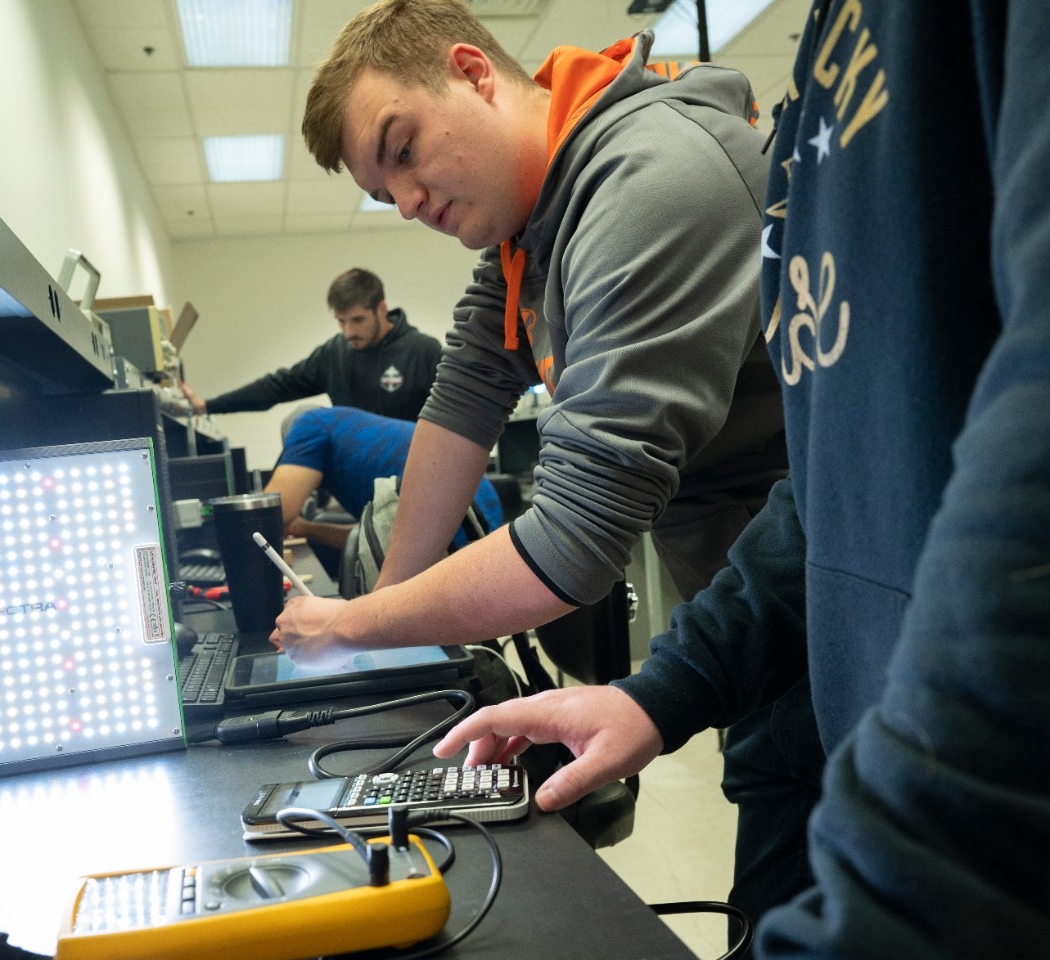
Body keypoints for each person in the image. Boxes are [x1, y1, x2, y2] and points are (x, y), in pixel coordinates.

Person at [434, 0, 1050, 954]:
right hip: (832, 731)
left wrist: (918, 887)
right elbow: (832, 465)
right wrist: (663, 691)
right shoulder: (828, 64)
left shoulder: (650, 175)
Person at [281, 0, 814, 923]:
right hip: (753, 629)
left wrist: (353, 630)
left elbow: (572, 545)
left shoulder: (647, 183)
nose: (406, 203)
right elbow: (465, 396)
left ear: (474, 73)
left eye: (402, 149)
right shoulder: (532, 223)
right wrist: (381, 615)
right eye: (384, 193)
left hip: (834, 623)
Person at [187, 268, 442, 422]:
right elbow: (278, 386)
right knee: (302, 418)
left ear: (382, 309)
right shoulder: (335, 353)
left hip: (413, 473)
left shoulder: (423, 351)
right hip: (357, 473)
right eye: (341, 322)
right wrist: (208, 406)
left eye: (358, 320)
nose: (349, 331)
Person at [264, 405, 503, 554]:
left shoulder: (308, 424)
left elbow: (269, 515)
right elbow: (372, 539)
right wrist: (307, 529)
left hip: (448, 529)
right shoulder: (351, 431)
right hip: (483, 522)